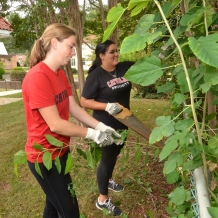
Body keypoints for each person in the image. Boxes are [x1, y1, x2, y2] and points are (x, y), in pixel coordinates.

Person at [22, 23, 121, 218]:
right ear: (54, 43)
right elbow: (56, 124)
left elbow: (73, 108)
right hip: (44, 157)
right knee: (69, 212)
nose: (73, 53)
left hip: (60, 151)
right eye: (70, 46)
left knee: (53, 206)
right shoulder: (37, 77)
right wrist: (93, 134)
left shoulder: (60, 73)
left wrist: (102, 126)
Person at [80, 40, 134, 216]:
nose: (116, 54)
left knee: (115, 154)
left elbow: (149, 64)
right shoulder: (95, 76)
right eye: (112, 52)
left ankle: (109, 179)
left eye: (116, 51)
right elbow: (84, 101)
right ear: (102, 56)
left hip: (125, 122)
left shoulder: (124, 67)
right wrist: (106, 106)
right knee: (107, 159)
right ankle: (102, 199)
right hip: (105, 125)